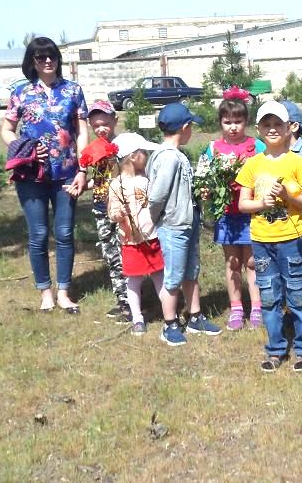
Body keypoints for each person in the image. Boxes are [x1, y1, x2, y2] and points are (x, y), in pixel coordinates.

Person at [1, 37, 88, 314]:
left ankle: (64, 292)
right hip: (31, 175)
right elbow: (6, 129)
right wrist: (22, 149)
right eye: (41, 57)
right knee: (38, 234)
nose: (48, 61)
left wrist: (83, 169)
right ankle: (45, 293)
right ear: (33, 62)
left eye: (52, 56)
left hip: (67, 173)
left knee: (64, 232)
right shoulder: (21, 93)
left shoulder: (73, 90)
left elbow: (82, 131)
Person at [236, 101, 302, 372]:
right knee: (269, 297)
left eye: (277, 124)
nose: (272, 129)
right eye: (266, 124)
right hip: (261, 242)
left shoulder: (297, 162)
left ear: (289, 128)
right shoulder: (252, 164)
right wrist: (262, 204)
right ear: (258, 129)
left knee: (297, 296)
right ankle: (275, 350)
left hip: (291, 240)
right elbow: (243, 204)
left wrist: (287, 195)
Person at [147, 102, 222, 346]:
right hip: (174, 226)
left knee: (191, 272)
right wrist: (155, 218)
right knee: (174, 276)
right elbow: (157, 196)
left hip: (188, 223)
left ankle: (195, 316)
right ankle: (169, 324)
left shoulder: (178, 155)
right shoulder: (169, 158)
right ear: (185, 127)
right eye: (191, 127)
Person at [203, 88, 265, 331]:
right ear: (220, 122)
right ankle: (236, 307)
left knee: (252, 261)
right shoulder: (214, 148)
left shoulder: (256, 146)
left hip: (252, 213)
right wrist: (206, 190)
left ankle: (257, 306)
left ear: (246, 121)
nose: (232, 127)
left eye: (237, 122)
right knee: (232, 261)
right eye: (227, 122)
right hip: (227, 214)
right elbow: (204, 177)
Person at [106, 132, 164, 336]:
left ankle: (169, 312)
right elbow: (112, 214)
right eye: (143, 152)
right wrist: (119, 214)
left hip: (152, 237)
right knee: (134, 280)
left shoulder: (147, 180)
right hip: (131, 241)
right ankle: (137, 317)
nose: (146, 156)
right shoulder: (116, 184)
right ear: (133, 156)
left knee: (159, 275)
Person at [83, 99, 131, 321]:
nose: (101, 129)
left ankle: (134, 299)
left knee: (126, 253)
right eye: (96, 125)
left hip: (122, 210)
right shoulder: (95, 149)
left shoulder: (124, 147)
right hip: (101, 209)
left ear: (115, 120)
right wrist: (82, 185)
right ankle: (123, 301)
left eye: (105, 124)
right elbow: (99, 179)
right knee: (111, 255)